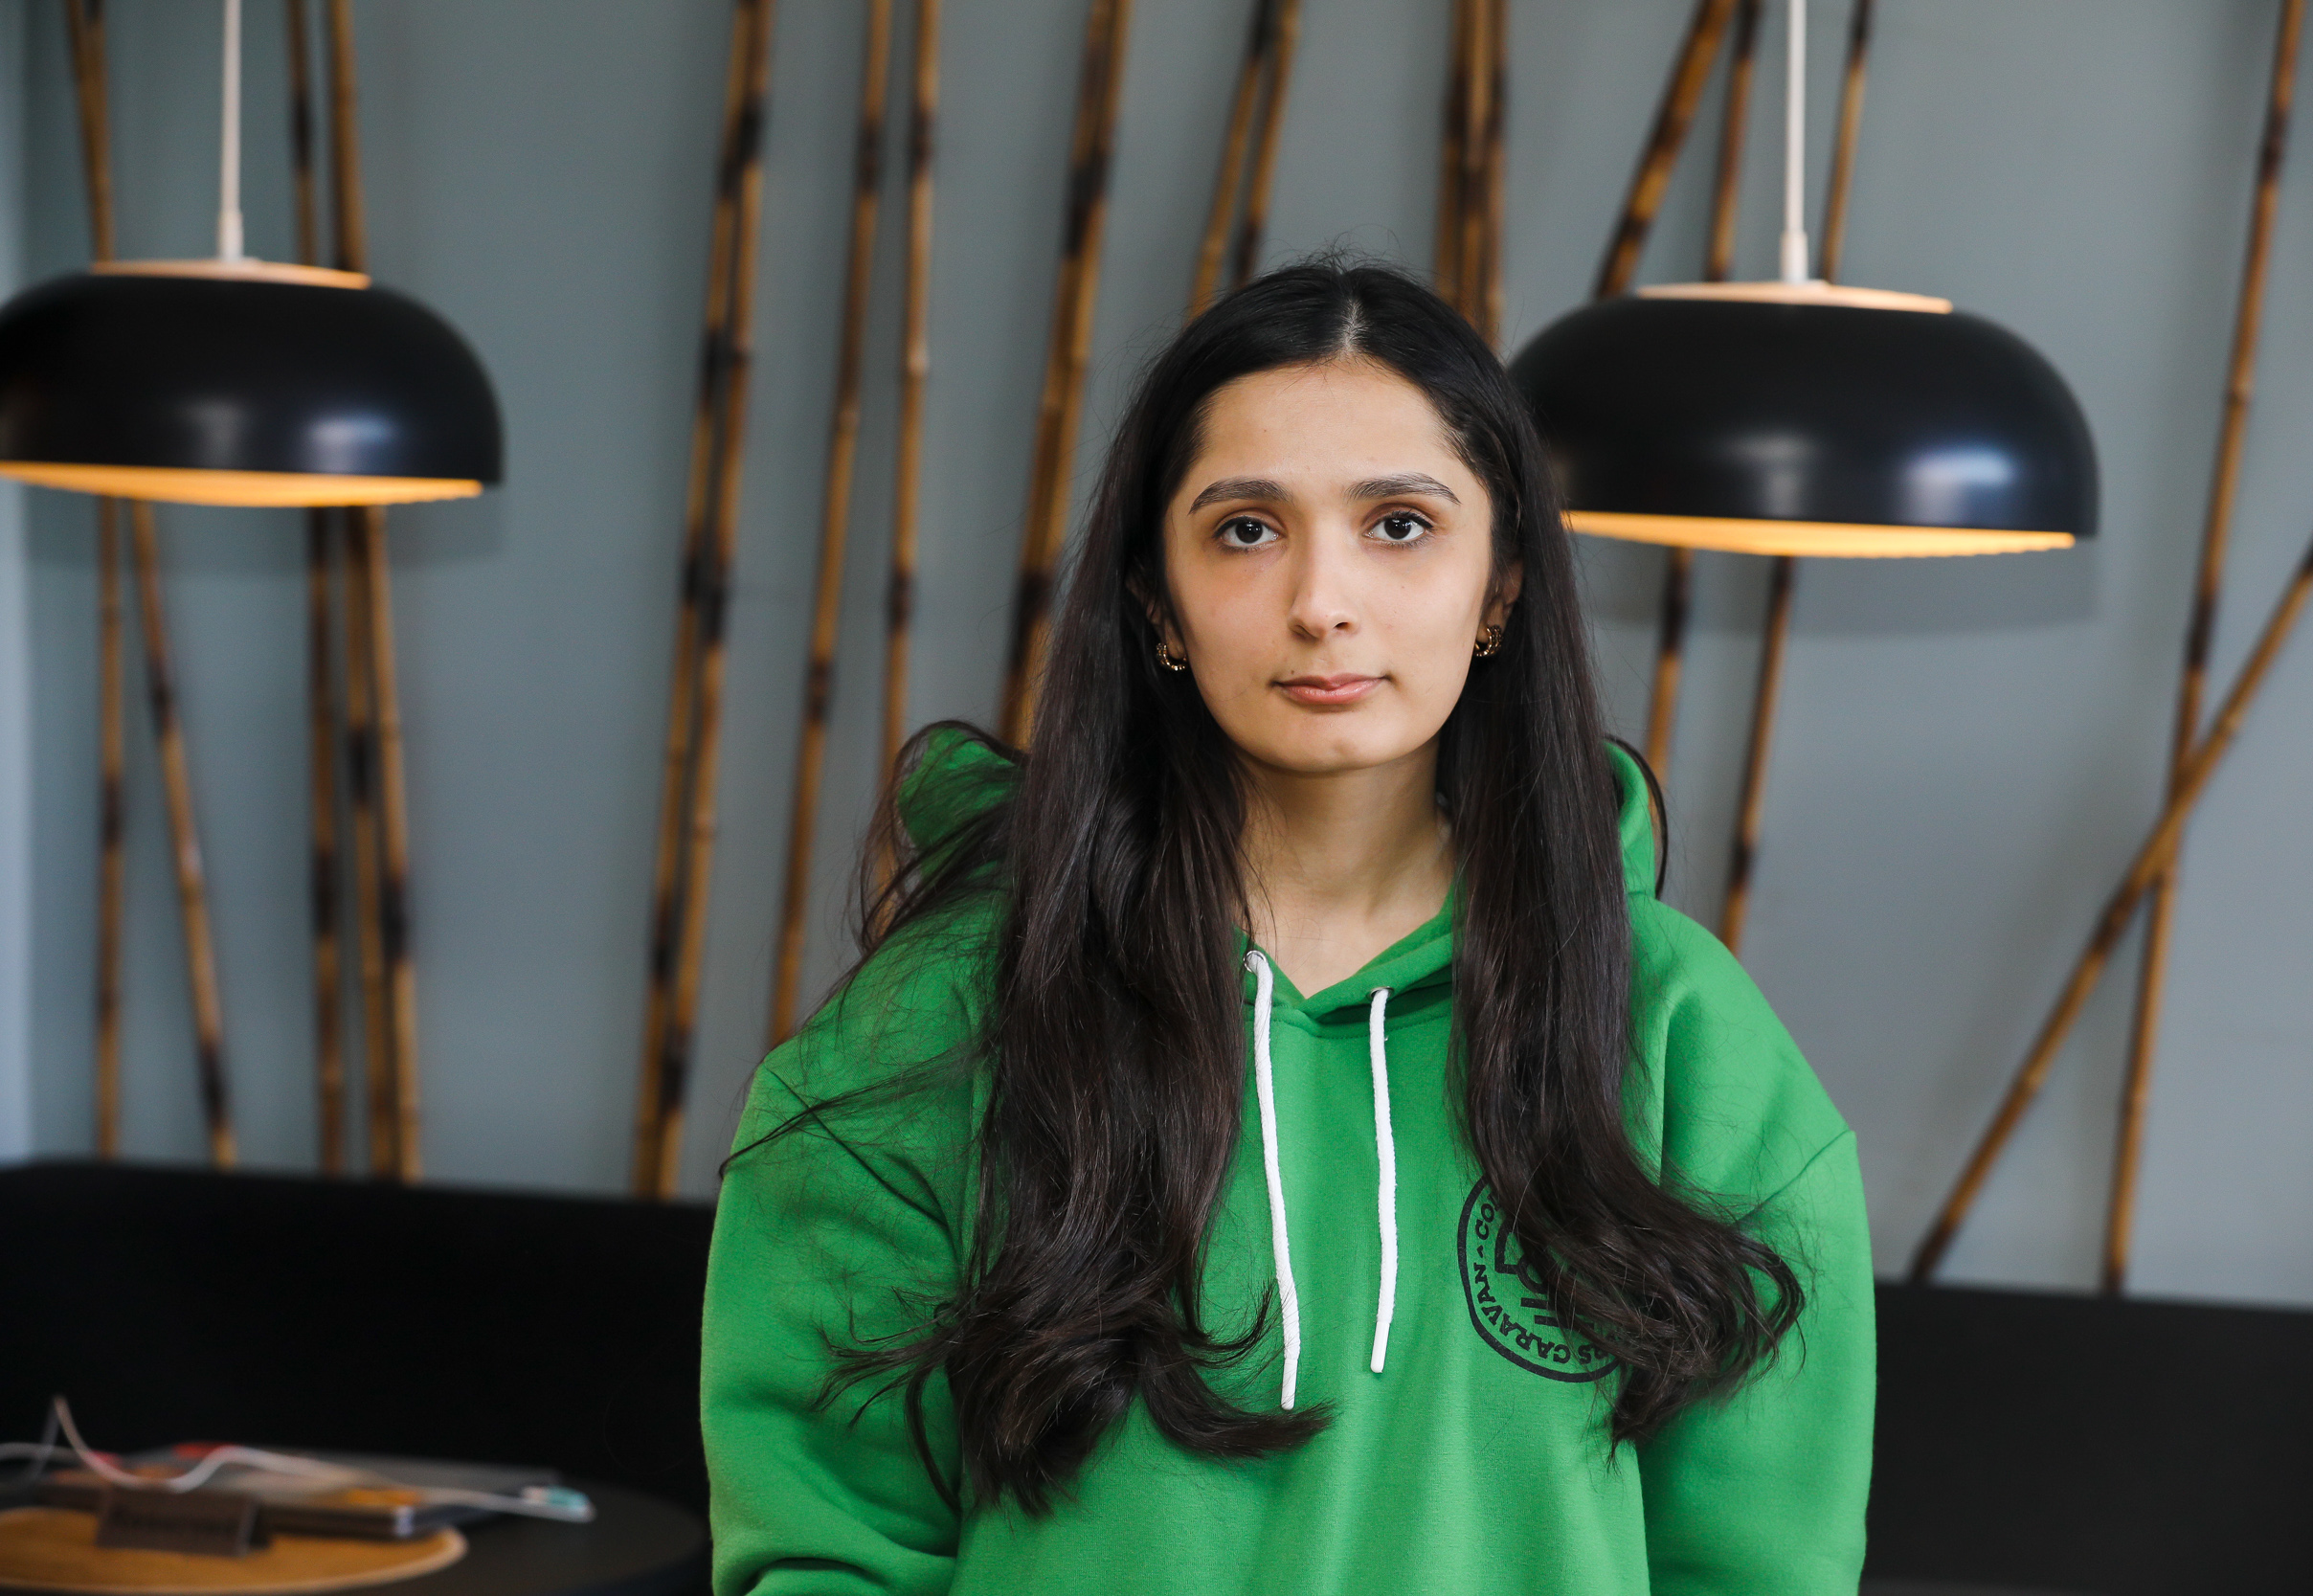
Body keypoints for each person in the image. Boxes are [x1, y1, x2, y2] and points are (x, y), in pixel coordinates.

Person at [702, 260, 1873, 1595]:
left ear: (1500, 588)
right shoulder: (937, 1023)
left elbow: (1759, 1566)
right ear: (1158, 601)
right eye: (1247, 529)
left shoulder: (1679, 1030)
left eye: (1400, 524)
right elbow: (829, 1551)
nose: (1323, 601)